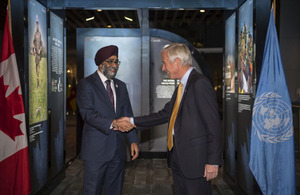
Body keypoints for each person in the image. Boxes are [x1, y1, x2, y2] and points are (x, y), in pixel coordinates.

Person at [119, 43, 223, 195]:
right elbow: (164, 114)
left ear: (177, 62)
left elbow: (213, 126)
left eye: (164, 63)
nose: (163, 68)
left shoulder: (199, 84)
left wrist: (213, 161)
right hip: (179, 159)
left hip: (196, 163)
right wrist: (132, 122)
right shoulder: (182, 86)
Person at [77, 45, 139, 195]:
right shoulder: (86, 84)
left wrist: (133, 140)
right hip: (96, 151)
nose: (114, 65)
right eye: (110, 61)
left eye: (117, 62)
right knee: (93, 190)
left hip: (118, 150)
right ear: (100, 63)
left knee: (115, 191)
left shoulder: (121, 86)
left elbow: (127, 113)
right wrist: (113, 123)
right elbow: (87, 114)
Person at [32, 14, 43, 89]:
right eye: (36, 24)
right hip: (36, 54)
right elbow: (33, 42)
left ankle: (38, 84)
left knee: (38, 70)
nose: (37, 25)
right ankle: (37, 83)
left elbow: (41, 43)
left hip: (39, 55)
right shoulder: (35, 34)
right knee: (36, 70)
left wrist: (40, 50)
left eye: (38, 24)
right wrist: (34, 50)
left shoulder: (40, 34)